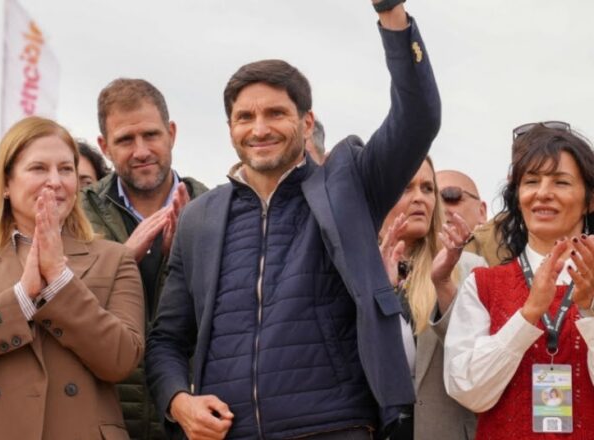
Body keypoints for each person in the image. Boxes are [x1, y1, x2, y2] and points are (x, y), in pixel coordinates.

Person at [145, 2, 441, 438]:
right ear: (230, 129)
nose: (259, 128)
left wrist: (392, 15)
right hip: (232, 431)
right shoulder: (199, 218)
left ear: (306, 122)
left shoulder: (349, 186)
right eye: (245, 117)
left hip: (335, 426)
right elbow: (167, 339)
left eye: (276, 114)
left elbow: (418, 119)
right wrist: (178, 401)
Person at [0, 116, 145, 439]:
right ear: (5, 184)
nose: (55, 181)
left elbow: (121, 359)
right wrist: (19, 300)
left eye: (66, 170)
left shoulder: (114, 259)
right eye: (38, 169)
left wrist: (61, 284)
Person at [444, 123, 594, 439]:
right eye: (531, 181)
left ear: (589, 199)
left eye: (561, 182)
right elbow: (467, 390)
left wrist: (590, 314)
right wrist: (527, 315)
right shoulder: (482, 284)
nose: (542, 193)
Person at [81, 78, 208, 440]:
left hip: (191, 418)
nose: (141, 151)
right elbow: (58, 305)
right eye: (125, 140)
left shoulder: (216, 209)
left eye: (151, 135)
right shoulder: (75, 214)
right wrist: (122, 261)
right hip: (103, 416)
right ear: (104, 146)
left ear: (171, 133)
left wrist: (183, 258)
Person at [378, 157, 485, 440]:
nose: (419, 199)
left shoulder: (469, 267)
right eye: (405, 188)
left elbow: (477, 355)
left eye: (427, 189)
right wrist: (380, 290)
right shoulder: (353, 267)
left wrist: (443, 283)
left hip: (443, 430)